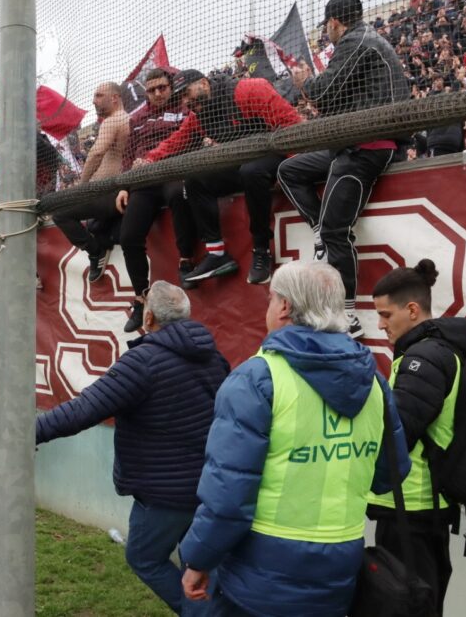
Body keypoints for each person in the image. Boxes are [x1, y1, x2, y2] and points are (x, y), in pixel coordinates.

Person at [179, 261, 411, 616]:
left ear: (285, 307)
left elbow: (228, 496)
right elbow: (389, 475)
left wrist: (197, 559)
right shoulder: (374, 382)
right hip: (340, 567)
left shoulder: (258, 379)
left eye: (271, 299)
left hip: (262, 574)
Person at [36, 280, 228, 614]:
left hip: (165, 492)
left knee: (144, 557)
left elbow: (84, 409)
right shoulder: (213, 356)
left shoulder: (143, 362)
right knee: (197, 563)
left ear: (149, 317)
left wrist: (26, 434)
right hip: (208, 485)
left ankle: (201, 613)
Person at [279, 0, 410, 338]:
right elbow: (334, 100)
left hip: (367, 146)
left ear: (335, 22)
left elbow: (322, 93)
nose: (327, 32)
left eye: (327, 26)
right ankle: (319, 231)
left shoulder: (355, 40)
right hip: (353, 142)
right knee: (289, 170)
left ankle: (347, 315)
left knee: (336, 231)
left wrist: (304, 82)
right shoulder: (364, 39)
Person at [367, 260, 466, 614]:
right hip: (426, 504)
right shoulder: (443, 350)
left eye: (386, 315)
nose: (380, 324)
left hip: (410, 507)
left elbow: (397, 434)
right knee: (422, 602)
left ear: (413, 310)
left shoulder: (424, 357)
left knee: (405, 604)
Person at [133, 69, 302, 287]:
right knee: (195, 178)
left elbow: (291, 124)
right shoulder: (199, 116)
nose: (185, 101)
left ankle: (261, 250)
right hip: (240, 162)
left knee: (251, 171)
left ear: (204, 83)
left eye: (187, 93)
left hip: (273, 154)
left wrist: (294, 166)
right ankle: (217, 253)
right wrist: (149, 158)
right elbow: (176, 140)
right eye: (181, 97)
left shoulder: (248, 89)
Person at [116, 69, 198, 333]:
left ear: (170, 87)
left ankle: (186, 261)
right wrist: (124, 187)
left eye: (162, 87)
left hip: (175, 172)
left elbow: (191, 138)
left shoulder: (185, 109)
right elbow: (128, 156)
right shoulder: (137, 119)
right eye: (152, 90)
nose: (158, 93)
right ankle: (141, 299)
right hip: (144, 182)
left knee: (178, 195)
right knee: (128, 235)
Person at [50, 82, 130, 283]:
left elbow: (96, 153)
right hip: (111, 190)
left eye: (99, 95)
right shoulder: (125, 118)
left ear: (115, 98)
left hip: (109, 192)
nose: (94, 101)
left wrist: (82, 186)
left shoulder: (113, 120)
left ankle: (95, 252)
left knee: (59, 212)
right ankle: (101, 242)